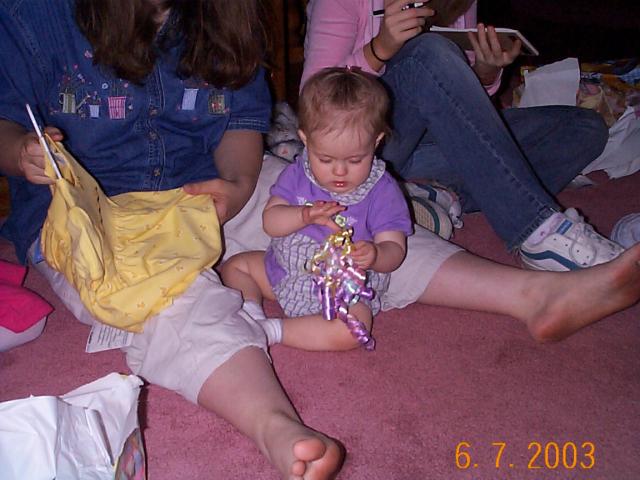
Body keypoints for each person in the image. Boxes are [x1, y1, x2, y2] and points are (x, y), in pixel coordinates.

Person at [0, 1, 342, 478]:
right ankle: (273, 424)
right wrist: (21, 151)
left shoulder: (227, 11)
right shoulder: (31, 13)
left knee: (329, 205)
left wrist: (239, 186)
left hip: (201, 182)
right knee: (164, 298)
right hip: (92, 211)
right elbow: (5, 119)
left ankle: (460, 279)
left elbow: (240, 120)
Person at [301, 0, 625, 272]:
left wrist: (486, 69)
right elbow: (313, 98)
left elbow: (457, 99)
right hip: (369, 146)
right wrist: (378, 50)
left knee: (585, 128)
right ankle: (538, 231)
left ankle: (428, 196)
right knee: (426, 52)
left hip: (441, 143)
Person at [221, 67, 413, 351]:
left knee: (356, 327)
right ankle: (252, 314)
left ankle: (272, 330)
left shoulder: (382, 190)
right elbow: (271, 222)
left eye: (355, 160)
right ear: (305, 139)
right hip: (284, 272)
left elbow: (395, 250)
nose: (339, 171)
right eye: (325, 159)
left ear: (376, 142)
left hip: (342, 292)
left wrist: (375, 255)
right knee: (235, 266)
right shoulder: (298, 173)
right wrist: (304, 215)